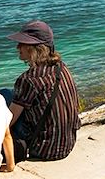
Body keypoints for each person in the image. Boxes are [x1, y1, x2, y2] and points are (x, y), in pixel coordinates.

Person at [5, 20, 81, 162]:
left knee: (4, 95)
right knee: (12, 95)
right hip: (68, 144)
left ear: (35, 48)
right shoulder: (61, 67)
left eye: (22, 43)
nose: (17, 47)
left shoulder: (28, 79)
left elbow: (8, 121)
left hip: (44, 149)